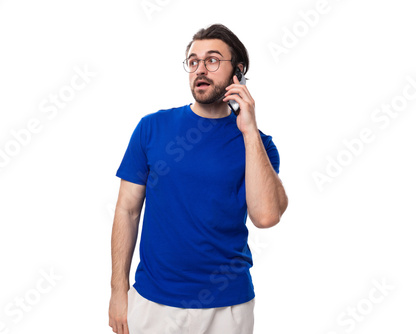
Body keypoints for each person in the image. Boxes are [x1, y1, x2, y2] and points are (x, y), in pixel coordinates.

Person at [108, 23, 288, 334]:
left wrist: (248, 129)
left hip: (229, 308)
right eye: (193, 62)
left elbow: (267, 216)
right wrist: (117, 292)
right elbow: (127, 210)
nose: (200, 69)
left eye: (213, 60)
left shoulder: (258, 144)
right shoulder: (152, 128)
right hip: (154, 304)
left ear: (239, 72)